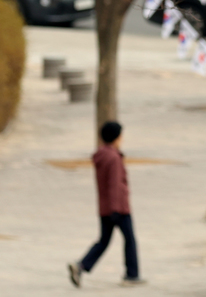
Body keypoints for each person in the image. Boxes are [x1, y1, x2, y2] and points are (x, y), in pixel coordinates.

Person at [68, 121, 143, 287]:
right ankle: (132, 275)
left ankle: (81, 266)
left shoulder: (101, 155)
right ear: (116, 137)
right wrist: (116, 209)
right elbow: (115, 184)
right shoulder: (114, 158)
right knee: (130, 239)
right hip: (119, 208)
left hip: (105, 207)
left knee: (103, 241)